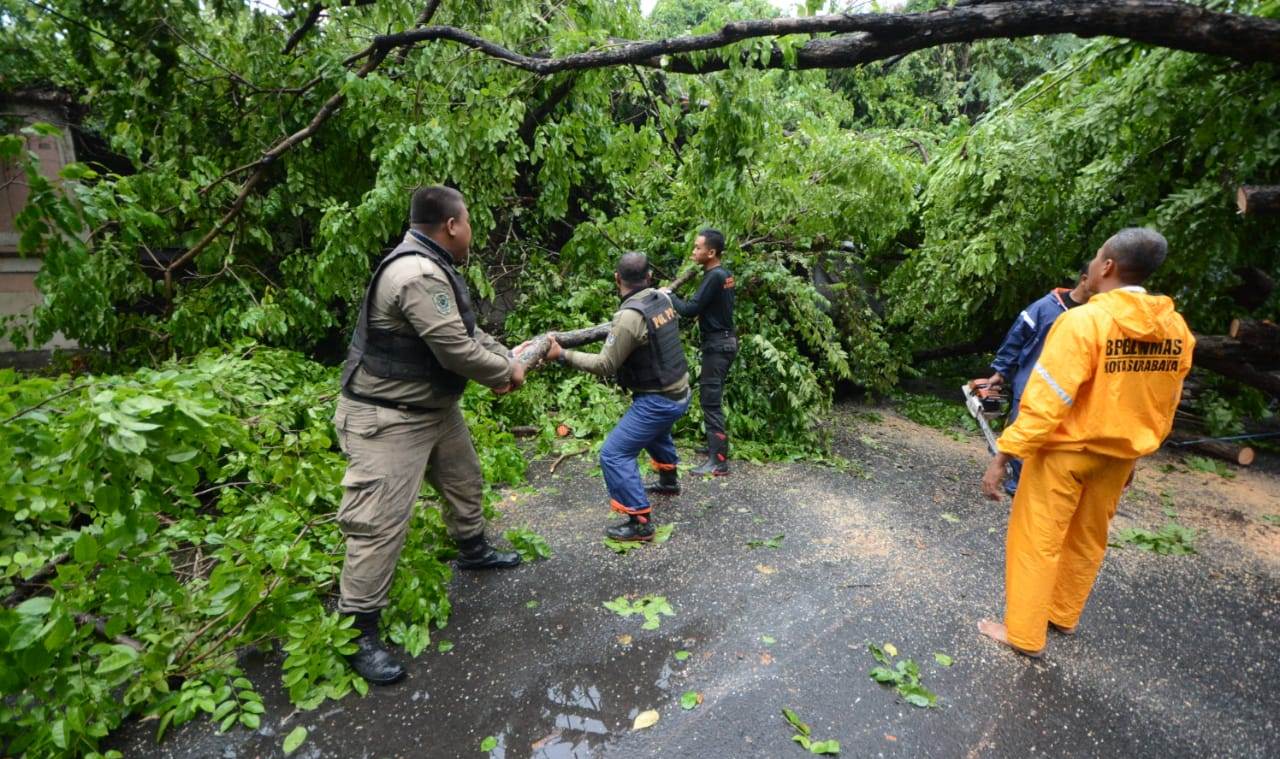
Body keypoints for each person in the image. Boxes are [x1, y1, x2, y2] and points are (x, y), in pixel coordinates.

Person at [334, 185, 527, 685]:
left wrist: (505, 355)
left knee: (464, 480)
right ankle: (357, 631)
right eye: (470, 221)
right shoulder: (418, 273)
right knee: (378, 523)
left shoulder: (434, 265)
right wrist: (506, 372)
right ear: (452, 225)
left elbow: (466, 333)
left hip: (434, 408)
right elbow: (455, 351)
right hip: (389, 418)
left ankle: (473, 550)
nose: (472, 231)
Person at [978, 228, 1193, 658]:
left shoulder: (1083, 322)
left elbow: (1048, 400)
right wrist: (1136, 454)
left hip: (1064, 454)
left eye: (1096, 257)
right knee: (1087, 539)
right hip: (1118, 458)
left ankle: (1023, 633)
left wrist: (1006, 453)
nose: (1092, 265)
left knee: (1038, 539)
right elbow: (1161, 403)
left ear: (1107, 266)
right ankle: (1062, 613)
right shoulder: (1175, 330)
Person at [545, 252, 691, 541]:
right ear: (649, 276)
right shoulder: (663, 299)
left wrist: (562, 354)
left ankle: (640, 522)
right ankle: (668, 480)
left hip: (660, 400)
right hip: (681, 392)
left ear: (616, 278)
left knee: (613, 454)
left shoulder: (628, 318)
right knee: (653, 430)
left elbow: (605, 365)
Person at [984, 266, 1091, 494]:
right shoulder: (1045, 307)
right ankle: (1017, 487)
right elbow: (1017, 337)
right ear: (1084, 279)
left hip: (1069, 395)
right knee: (1022, 434)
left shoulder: (1096, 317)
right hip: (1030, 386)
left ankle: (1041, 487)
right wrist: (1000, 372)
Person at [661, 228, 737, 477]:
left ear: (711, 252)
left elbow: (690, 309)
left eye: (697, 248)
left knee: (710, 401)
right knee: (710, 398)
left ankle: (719, 462)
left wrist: (669, 296)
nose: (693, 251)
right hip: (723, 343)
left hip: (718, 346)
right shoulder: (724, 274)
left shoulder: (715, 276)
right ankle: (715, 448)